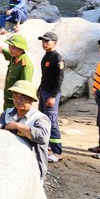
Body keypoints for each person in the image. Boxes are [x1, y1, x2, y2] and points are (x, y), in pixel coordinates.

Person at [0, 79, 51, 181]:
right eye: (15, 96)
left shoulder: (40, 118)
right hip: (8, 165)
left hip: (32, 169)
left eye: (22, 97)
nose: (18, 100)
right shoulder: (7, 114)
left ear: (31, 100)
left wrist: (17, 126)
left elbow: (43, 137)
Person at [0, 33, 34, 110]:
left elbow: (25, 88)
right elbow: (1, 50)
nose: (10, 50)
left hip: (16, 103)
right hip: (7, 100)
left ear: (21, 49)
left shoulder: (25, 65)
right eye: (9, 47)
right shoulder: (14, 57)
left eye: (13, 48)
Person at [37, 31, 65, 163]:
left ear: (55, 42)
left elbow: (59, 79)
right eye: (43, 40)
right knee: (42, 118)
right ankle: (46, 145)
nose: (44, 43)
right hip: (44, 91)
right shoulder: (46, 56)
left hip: (51, 93)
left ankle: (57, 151)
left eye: (47, 41)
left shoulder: (57, 58)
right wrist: (39, 89)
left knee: (52, 121)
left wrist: (53, 96)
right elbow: (45, 76)